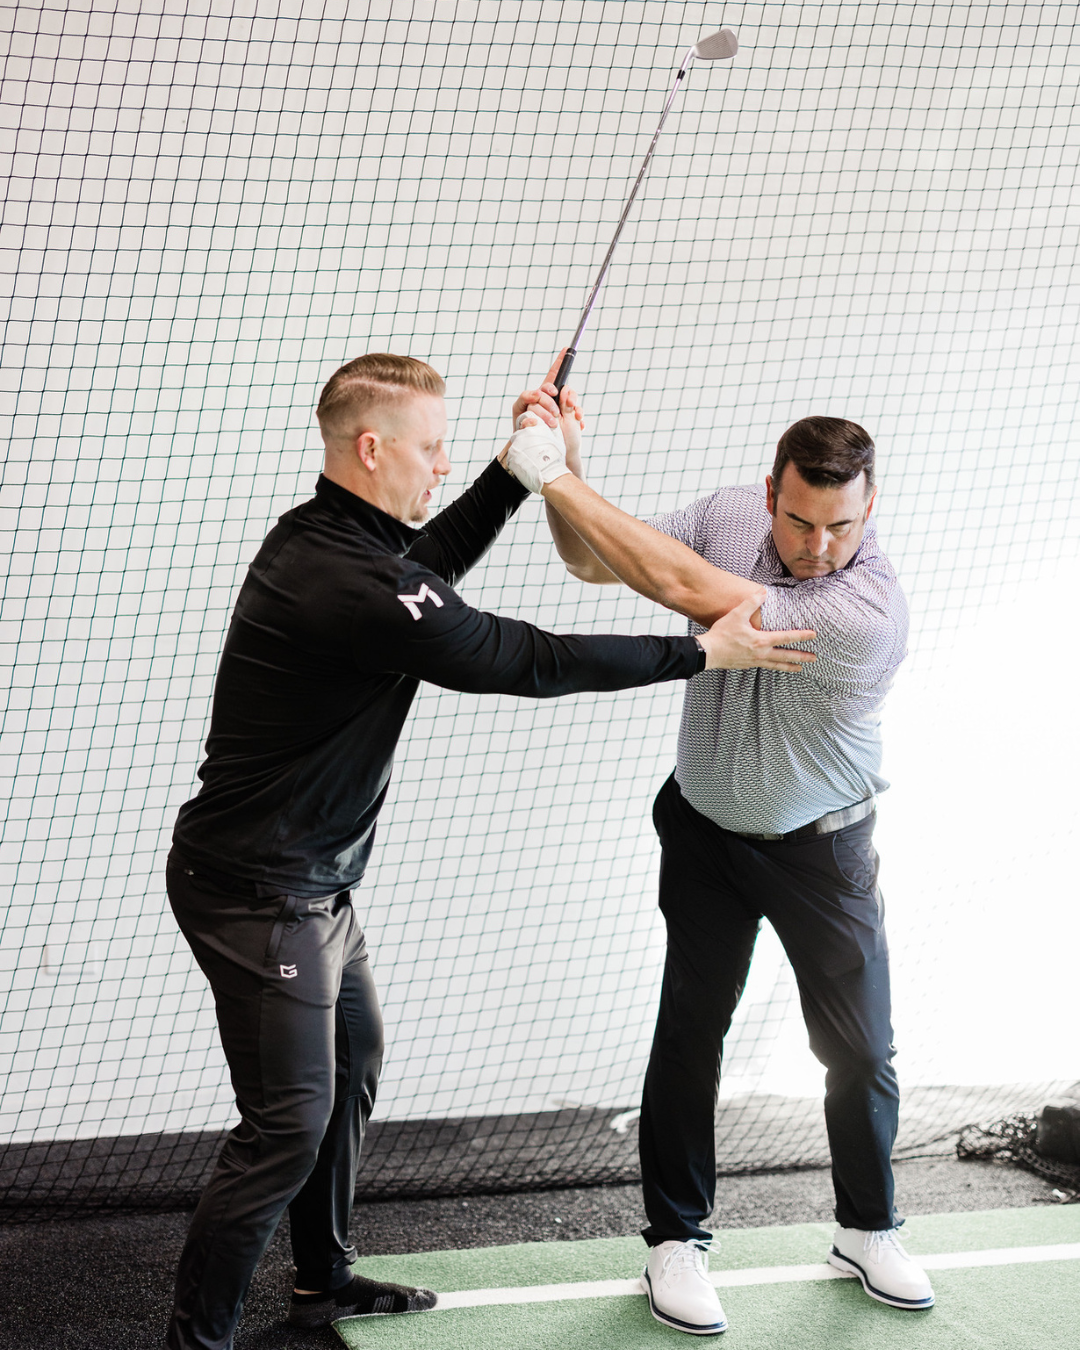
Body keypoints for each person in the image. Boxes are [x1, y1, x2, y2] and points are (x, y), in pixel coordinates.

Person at [164, 352, 816, 1350]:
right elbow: (523, 658)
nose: (442, 463)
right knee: (287, 1125)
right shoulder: (345, 576)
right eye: (430, 447)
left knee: (352, 1064)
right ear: (371, 447)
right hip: (257, 895)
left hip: (311, 887)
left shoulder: (336, 539)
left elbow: (423, 575)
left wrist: (517, 471)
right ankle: (195, 1341)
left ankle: (321, 1282)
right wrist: (697, 651)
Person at [508, 377, 933, 1335]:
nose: (817, 546)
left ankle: (868, 1230)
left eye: (841, 525)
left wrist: (549, 478)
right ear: (770, 491)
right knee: (690, 1033)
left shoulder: (866, 612)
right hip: (703, 832)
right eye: (799, 520)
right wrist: (567, 466)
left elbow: (681, 588)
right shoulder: (728, 514)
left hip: (821, 851)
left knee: (861, 1049)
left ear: (871, 507)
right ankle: (675, 1241)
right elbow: (594, 563)